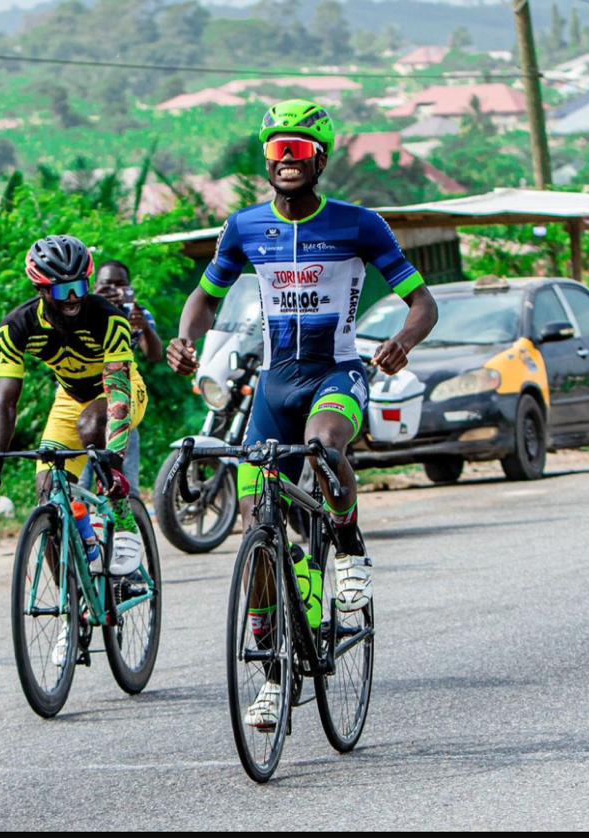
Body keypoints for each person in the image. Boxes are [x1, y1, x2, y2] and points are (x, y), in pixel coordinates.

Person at [167, 99, 437, 727]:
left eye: (299, 150)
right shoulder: (243, 227)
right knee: (264, 526)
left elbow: (422, 303)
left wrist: (403, 341)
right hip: (272, 386)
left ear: (319, 158)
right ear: (265, 158)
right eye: (276, 149)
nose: (286, 160)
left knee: (325, 447)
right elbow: (203, 300)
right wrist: (187, 339)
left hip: (335, 374)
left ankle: (347, 548)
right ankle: (272, 676)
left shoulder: (359, 224)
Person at [0, 236, 148, 663]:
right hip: (68, 400)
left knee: (93, 427)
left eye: (79, 287)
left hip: (119, 392)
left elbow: (118, 391)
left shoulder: (110, 318)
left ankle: (123, 526)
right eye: (61, 290)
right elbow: (5, 401)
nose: (72, 299)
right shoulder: (17, 327)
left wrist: (115, 463)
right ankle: (74, 609)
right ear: (41, 289)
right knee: (48, 492)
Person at [83, 260, 163, 494]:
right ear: (95, 286)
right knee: (79, 480)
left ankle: (127, 520)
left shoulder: (136, 313)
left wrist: (144, 328)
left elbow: (155, 355)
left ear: (129, 288)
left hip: (121, 396)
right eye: (107, 285)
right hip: (83, 397)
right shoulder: (82, 311)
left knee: (125, 481)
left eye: (120, 285)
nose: (114, 290)